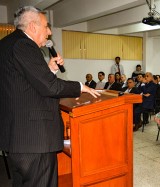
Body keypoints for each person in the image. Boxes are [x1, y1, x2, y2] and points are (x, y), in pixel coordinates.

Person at [0, 6, 100, 186]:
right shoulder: (24, 44)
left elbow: (24, 86)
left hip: (18, 140)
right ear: (32, 26)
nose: (49, 32)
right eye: (46, 26)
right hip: (35, 140)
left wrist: (50, 70)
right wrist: (80, 86)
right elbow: (50, 87)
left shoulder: (7, 44)